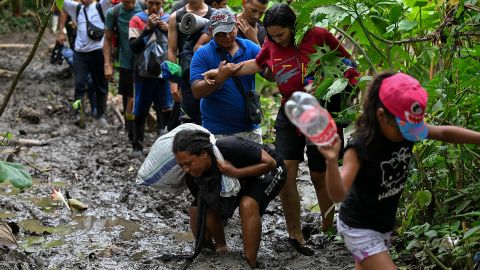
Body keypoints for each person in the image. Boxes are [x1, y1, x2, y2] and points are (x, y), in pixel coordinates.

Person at [202, 3, 356, 254]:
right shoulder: (271, 44)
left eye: (280, 35)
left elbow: (349, 64)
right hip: (290, 111)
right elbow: (258, 63)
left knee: (319, 175)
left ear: (293, 28)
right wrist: (226, 72)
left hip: (320, 112)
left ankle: (328, 229)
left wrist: (334, 88)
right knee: (285, 174)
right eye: (271, 36)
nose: (276, 40)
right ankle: (295, 235)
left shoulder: (317, 36)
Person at [316, 72, 480, 269]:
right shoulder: (360, 147)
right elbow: (338, 193)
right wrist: (332, 162)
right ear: (381, 116)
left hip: (382, 225)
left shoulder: (407, 129)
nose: (410, 135)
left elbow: (444, 132)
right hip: (358, 228)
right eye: (406, 130)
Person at [172, 129, 286, 268]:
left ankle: (250, 262)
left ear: (203, 154)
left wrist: (235, 172)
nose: (185, 169)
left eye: (189, 164)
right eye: (181, 165)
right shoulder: (192, 176)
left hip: (268, 170)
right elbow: (208, 209)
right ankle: (218, 249)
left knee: (247, 204)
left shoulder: (229, 146)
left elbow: (271, 163)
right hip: (239, 179)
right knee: (197, 209)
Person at [190, 8, 263, 143]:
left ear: (236, 25)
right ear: (211, 32)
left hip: (250, 128)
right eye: (221, 34)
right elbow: (196, 91)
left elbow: (269, 74)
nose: (227, 36)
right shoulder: (202, 54)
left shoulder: (250, 47)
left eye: (230, 30)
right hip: (217, 131)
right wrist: (220, 78)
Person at [56, 0, 114, 125]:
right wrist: (60, 31)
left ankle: (101, 114)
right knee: (79, 84)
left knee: (101, 85)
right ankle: (78, 114)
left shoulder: (101, 6)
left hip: (98, 52)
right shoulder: (76, 8)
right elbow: (60, 2)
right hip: (80, 53)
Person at [129, 0, 173, 155]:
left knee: (166, 107)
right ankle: (137, 146)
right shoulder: (137, 19)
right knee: (140, 108)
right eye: (151, 3)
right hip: (143, 73)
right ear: (146, 2)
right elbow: (133, 47)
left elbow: (177, 45)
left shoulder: (169, 19)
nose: (154, 7)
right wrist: (146, 30)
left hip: (164, 72)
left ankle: (164, 148)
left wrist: (168, 30)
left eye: (158, 3)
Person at [167, 0, 214, 126]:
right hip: (187, 78)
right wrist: (174, 82)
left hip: (212, 77)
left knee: (210, 121)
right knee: (188, 122)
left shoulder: (215, 15)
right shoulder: (176, 16)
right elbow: (172, 50)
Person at [104, 0, 143, 142]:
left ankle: (141, 128)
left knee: (143, 96)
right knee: (129, 98)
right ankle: (131, 133)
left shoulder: (145, 6)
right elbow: (107, 39)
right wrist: (107, 63)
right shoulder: (113, 13)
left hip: (145, 62)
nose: (130, 3)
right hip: (126, 61)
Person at [193, 0, 269, 52]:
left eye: (261, 13)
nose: (256, 16)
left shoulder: (264, 30)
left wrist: (254, 40)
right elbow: (197, 48)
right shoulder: (221, 18)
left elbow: (266, 63)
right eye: (253, 10)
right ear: (244, 3)